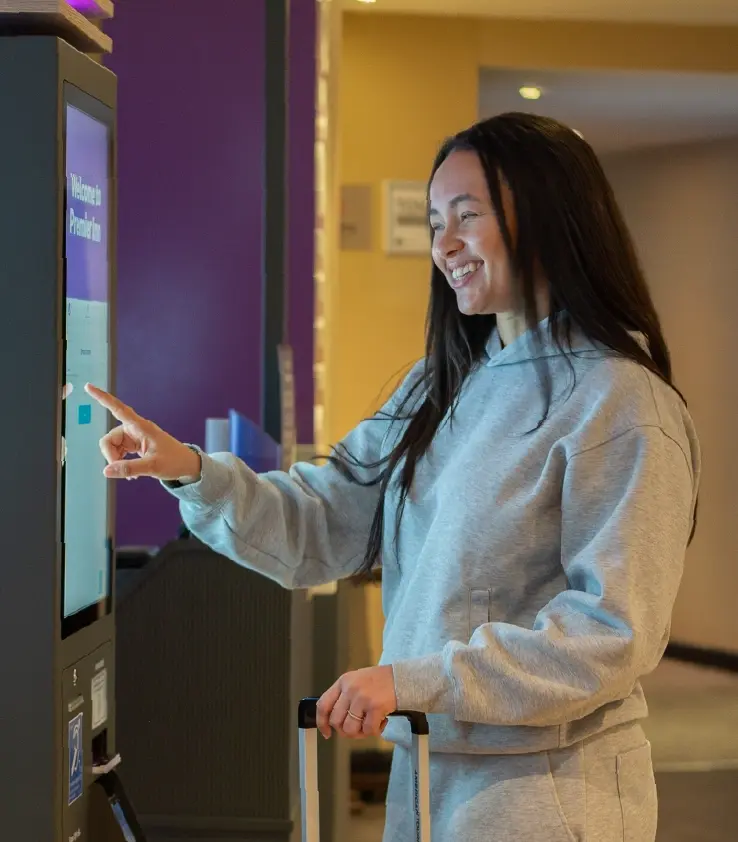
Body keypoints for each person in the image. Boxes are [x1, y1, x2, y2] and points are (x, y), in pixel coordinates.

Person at [86, 112, 700, 842]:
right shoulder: (440, 385)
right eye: (437, 220)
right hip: (431, 776)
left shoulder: (621, 405)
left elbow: (609, 634)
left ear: (549, 218)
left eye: (468, 216)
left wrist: (413, 680)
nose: (444, 245)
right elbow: (324, 521)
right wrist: (187, 468)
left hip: (546, 796)